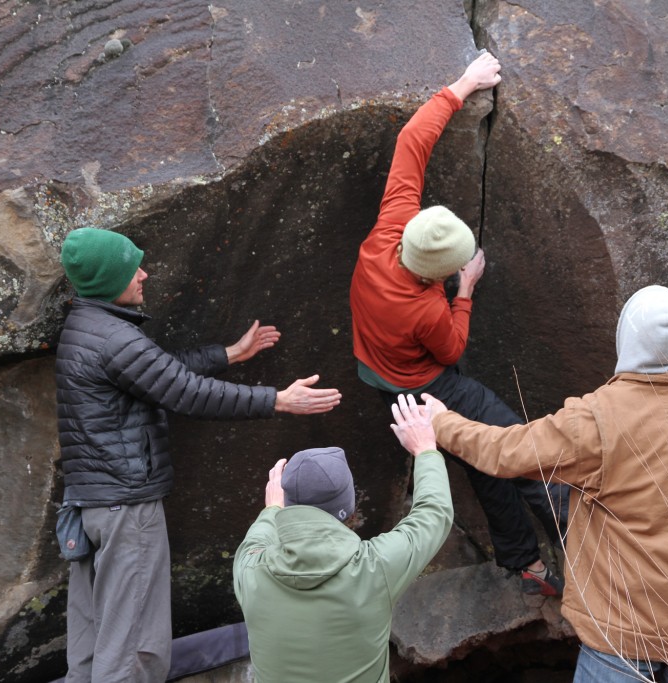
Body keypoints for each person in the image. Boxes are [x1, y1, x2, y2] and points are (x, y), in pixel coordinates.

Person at [423, 285, 668, 683]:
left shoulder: (596, 418)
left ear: (626, 341)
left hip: (621, 638)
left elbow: (504, 452)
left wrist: (441, 423)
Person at [55, 226, 342, 682]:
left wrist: (228, 354)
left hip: (94, 505)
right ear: (111, 280)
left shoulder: (87, 327)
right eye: (134, 269)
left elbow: (157, 372)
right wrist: (278, 400)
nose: (145, 274)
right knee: (134, 651)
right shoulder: (113, 338)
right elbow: (186, 392)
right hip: (127, 509)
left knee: (92, 647)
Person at [349, 50, 567, 596]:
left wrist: (462, 84)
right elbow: (449, 350)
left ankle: (524, 563)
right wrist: (464, 293)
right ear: (438, 275)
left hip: (383, 384)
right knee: (513, 445)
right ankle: (586, 532)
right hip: (429, 389)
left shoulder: (390, 231)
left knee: (481, 460)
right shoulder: (426, 307)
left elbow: (410, 143)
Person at [232, 394, 453, 683]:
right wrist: (425, 449)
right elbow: (434, 514)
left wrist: (272, 510)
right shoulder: (376, 568)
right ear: (348, 508)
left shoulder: (250, 571)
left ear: (287, 502)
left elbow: (256, 539)